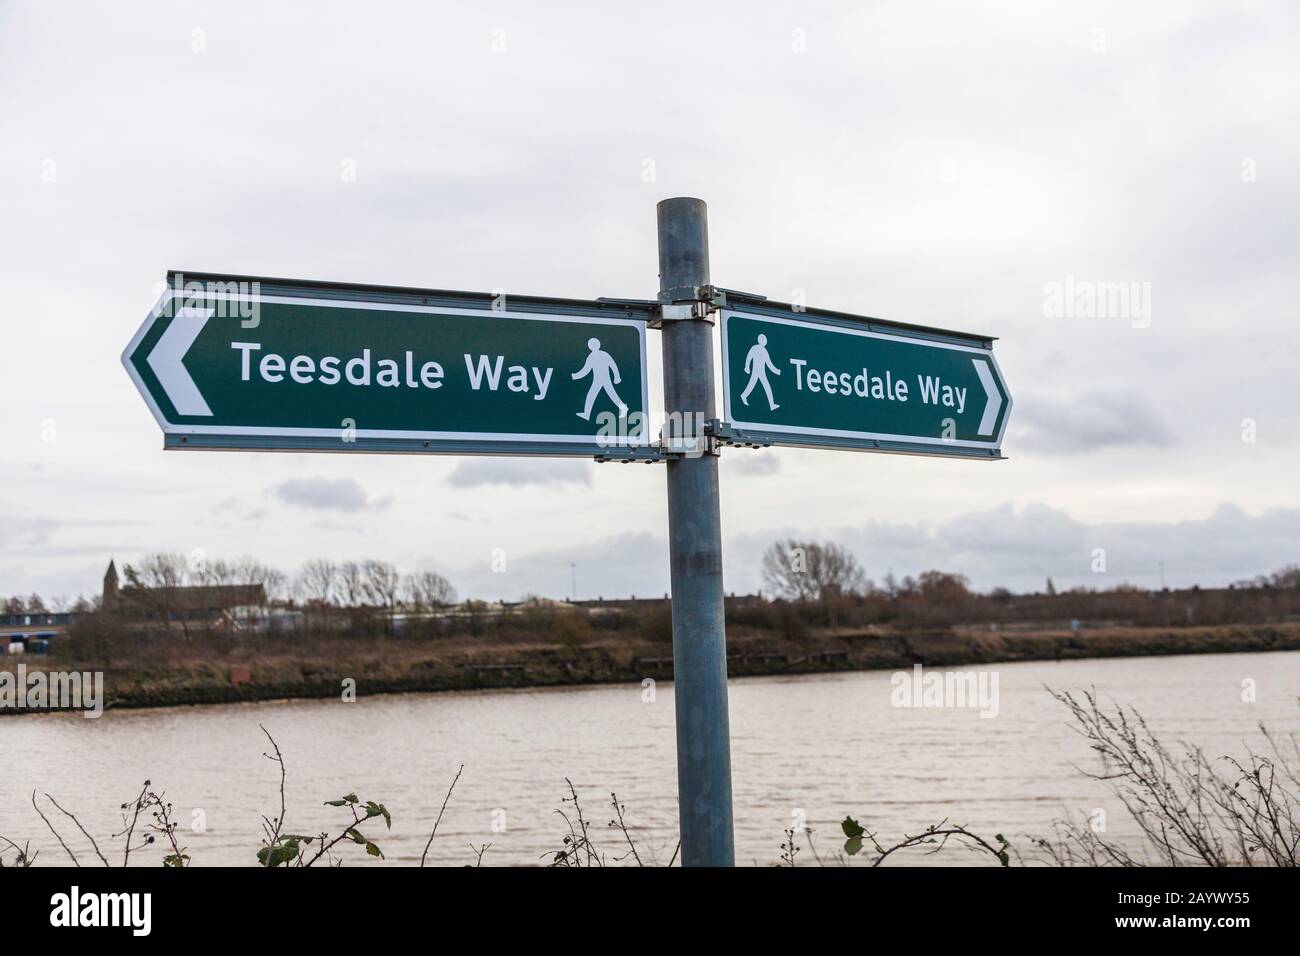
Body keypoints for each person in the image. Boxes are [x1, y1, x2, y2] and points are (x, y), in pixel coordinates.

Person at [572, 337, 628, 420]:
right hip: (598, 380)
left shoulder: (603, 354)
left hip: (604, 379)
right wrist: (575, 376)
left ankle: (623, 408)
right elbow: (586, 369)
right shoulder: (592, 356)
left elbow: (612, 365)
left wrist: (617, 376)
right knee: (593, 395)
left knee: (609, 394)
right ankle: (586, 414)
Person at [740, 333, 780, 410]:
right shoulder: (755, 348)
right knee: (754, 385)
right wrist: (746, 367)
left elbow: (769, 363)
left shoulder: (765, 351)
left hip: (761, 372)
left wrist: (777, 371)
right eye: (764, 340)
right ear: (760, 340)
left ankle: (771, 405)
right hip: (756, 370)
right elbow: (749, 357)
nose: (765, 341)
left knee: (765, 386)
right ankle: (744, 396)